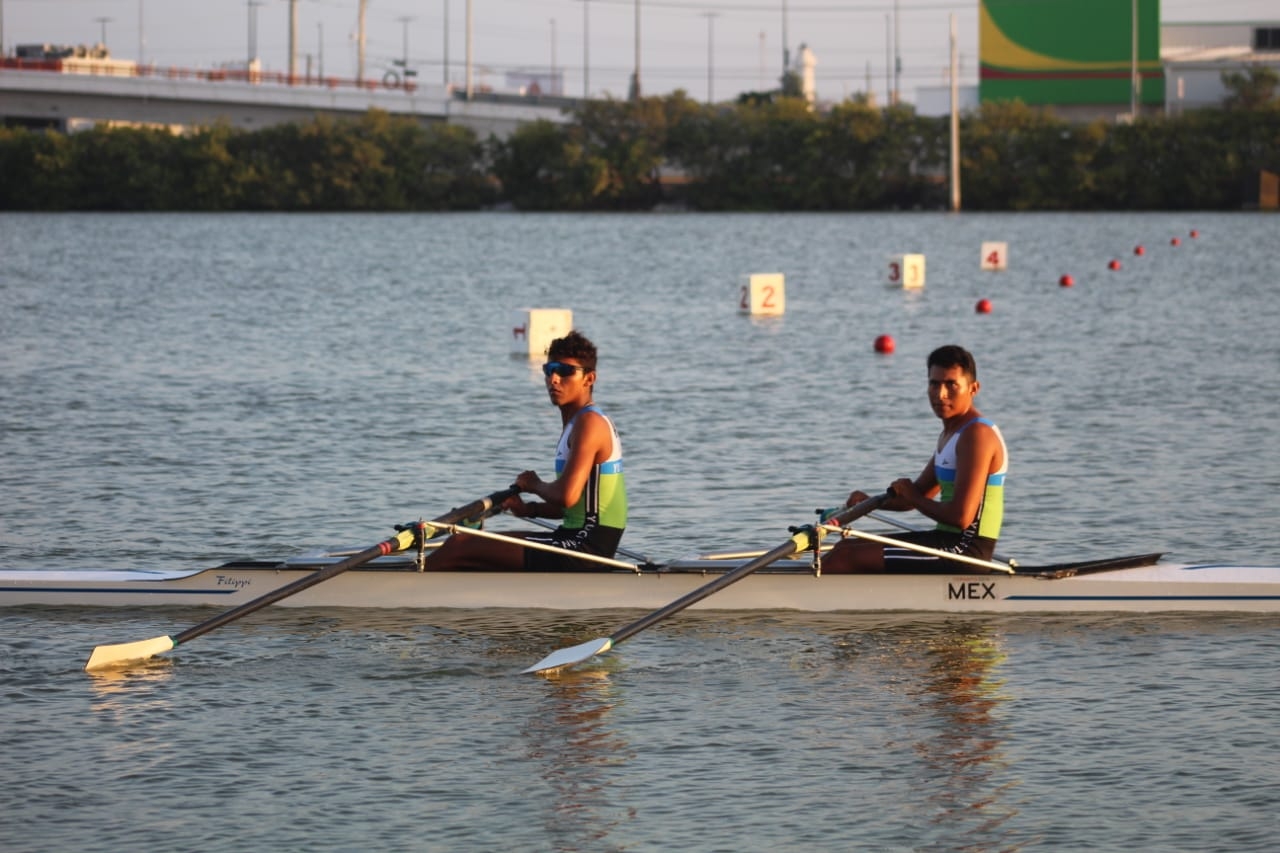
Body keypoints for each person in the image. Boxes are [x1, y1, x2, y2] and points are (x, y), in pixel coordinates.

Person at [425, 330, 627, 571]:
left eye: (565, 371)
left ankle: (405, 592)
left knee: (461, 544)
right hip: (576, 538)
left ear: (589, 379)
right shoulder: (577, 423)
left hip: (585, 547)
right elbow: (571, 508)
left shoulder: (589, 423)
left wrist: (534, 484)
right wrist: (528, 509)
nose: (553, 378)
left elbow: (566, 496)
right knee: (473, 551)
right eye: (549, 369)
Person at [821, 344, 1007, 574]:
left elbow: (960, 518)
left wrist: (911, 494)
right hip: (946, 539)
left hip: (965, 550)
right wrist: (868, 501)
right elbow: (915, 498)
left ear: (973, 388)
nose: (940, 394)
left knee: (846, 557)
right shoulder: (952, 433)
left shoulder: (977, 435)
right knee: (845, 547)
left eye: (951, 385)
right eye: (934, 384)